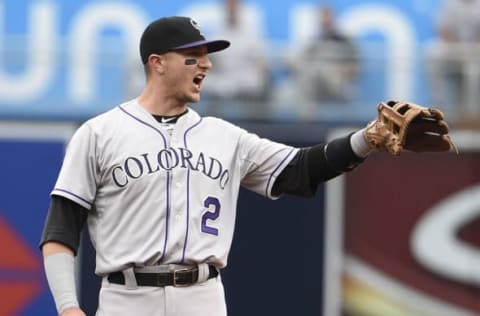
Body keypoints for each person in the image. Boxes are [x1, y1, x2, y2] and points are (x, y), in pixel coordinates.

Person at [39, 16, 449, 316]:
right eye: (192, 56)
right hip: (126, 300)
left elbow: (299, 168)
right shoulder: (99, 133)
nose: (207, 65)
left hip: (203, 298)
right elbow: (61, 228)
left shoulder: (224, 136)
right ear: (157, 63)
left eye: (206, 56)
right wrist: (67, 307)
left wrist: (368, 139)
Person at [200, 0, 271, 109]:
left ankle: (254, 120)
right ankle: (211, 119)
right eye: (228, 4)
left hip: (246, 77)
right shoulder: (218, 32)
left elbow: (261, 59)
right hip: (223, 77)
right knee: (206, 81)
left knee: (256, 81)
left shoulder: (252, 32)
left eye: (234, 4)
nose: (231, 8)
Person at [290, 5, 359, 109]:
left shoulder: (345, 41)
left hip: (338, 82)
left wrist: (342, 71)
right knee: (306, 73)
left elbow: (355, 65)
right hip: (317, 83)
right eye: (322, 17)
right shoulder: (315, 42)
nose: (324, 21)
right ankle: (307, 116)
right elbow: (301, 58)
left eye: (327, 17)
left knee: (319, 71)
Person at [426, 0, 480, 115]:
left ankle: (471, 113)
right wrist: (458, 52)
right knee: (433, 53)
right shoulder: (450, 3)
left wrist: (469, 53)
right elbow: (444, 31)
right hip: (453, 48)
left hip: (475, 51)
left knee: (473, 69)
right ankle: (438, 104)